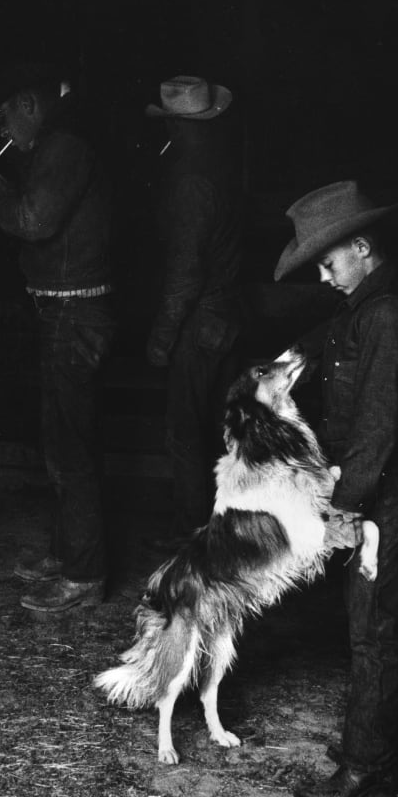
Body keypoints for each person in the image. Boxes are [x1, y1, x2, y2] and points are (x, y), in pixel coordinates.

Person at [274, 180, 398, 797]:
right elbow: (331, 338)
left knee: (372, 632)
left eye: (328, 261)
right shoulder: (366, 306)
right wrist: (289, 360)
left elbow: (377, 427)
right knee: (380, 622)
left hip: (385, 493)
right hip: (378, 489)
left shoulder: (388, 316)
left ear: (362, 246)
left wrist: (348, 506)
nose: (323, 275)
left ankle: (369, 765)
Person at [0, 62, 117, 613]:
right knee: (60, 440)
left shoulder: (62, 146)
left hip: (73, 315)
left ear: (30, 105)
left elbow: (37, 220)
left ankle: (85, 576)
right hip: (63, 312)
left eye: (5, 112)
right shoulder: (54, 147)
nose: (1, 124)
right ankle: (67, 555)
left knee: (71, 446)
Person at [144, 75, 244, 539]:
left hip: (200, 322)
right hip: (227, 316)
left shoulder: (189, 183)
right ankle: (224, 538)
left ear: (177, 128)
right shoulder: (222, 169)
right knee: (221, 435)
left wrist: (162, 339)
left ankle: (196, 544)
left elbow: (184, 275)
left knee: (185, 436)